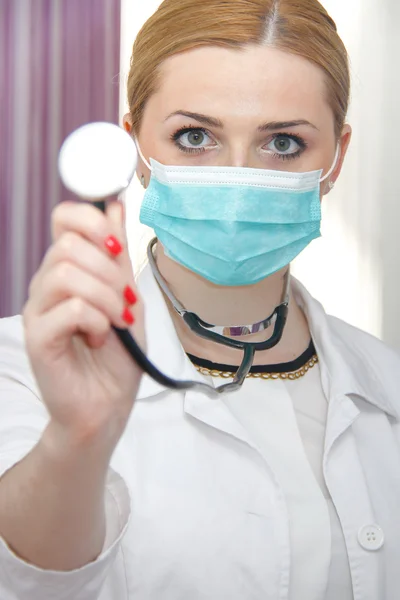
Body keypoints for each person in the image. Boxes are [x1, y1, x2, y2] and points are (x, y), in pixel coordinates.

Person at [1, 0, 400, 598]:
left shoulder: (386, 384)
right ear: (137, 149)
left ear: (336, 158)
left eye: (283, 144)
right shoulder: (17, 371)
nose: (238, 178)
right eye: (195, 136)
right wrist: (76, 439)